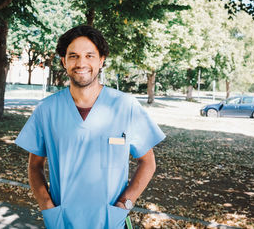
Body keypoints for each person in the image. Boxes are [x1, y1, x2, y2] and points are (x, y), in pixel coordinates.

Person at [15, 25, 165, 229]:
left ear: (101, 60)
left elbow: (148, 163)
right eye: (74, 56)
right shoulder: (47, 110)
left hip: (110, 222)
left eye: (89, 55)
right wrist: (47, 207)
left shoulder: (125, 106)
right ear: (64, 62)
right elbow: (34, 166)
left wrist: (124, 205)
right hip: (62, 222)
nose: (81, 63)